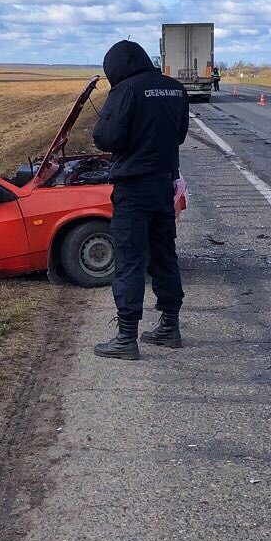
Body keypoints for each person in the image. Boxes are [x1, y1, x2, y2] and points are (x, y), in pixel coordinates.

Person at [92, 40, 189, 360]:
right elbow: (180, 135)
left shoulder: (126, 92)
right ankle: (170, 326)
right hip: (163, 185)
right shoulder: (175, 89)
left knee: (130, 260)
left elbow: (106, 138)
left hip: (133, 190)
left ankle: (126, 337)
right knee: (164, 255)